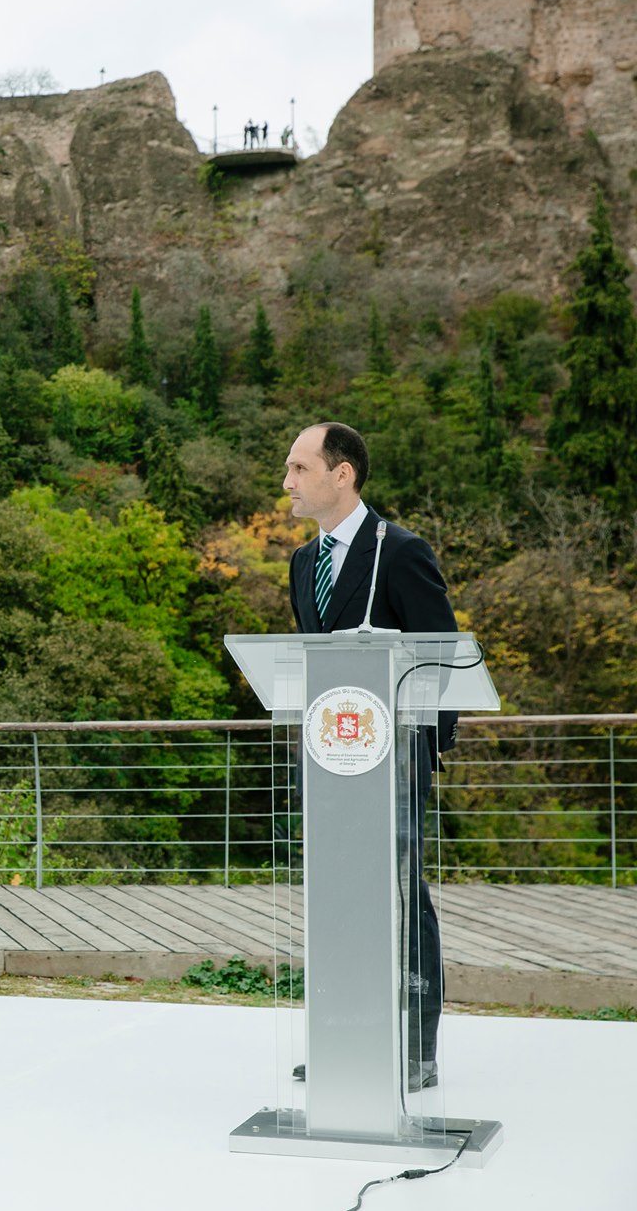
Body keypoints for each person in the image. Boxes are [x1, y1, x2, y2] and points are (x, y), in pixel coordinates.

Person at [283, 421, 455, 1092]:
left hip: (394, 761)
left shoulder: (401, 551)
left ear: (342, 473)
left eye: (299, 468)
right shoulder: (303, 563)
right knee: (336, 897)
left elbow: (443, 658)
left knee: (401, 895)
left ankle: (416, 1048)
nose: (288, 482)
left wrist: (420, 745)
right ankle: (343, 1035)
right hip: (330, 762)